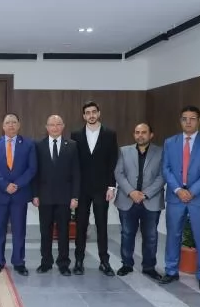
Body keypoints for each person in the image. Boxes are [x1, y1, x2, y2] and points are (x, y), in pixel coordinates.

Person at [160, 106, 200, 293]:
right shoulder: (170, 142)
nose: (188, 122)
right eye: (184, 118)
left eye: (192, 118)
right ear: (180, 121)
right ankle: (171, 270)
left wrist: (192, 191)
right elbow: (166, 168)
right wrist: (178, 190)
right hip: (176, 196)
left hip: (199, 197)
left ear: (199, 120)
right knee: (173, 235)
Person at [0, 114, 36, 276]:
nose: (11, 125)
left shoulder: (28, 144)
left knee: (19, 230)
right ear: (3, 126)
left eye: (14, 122)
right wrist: (5, 185)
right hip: (0, 194)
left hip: (19, 194)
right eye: (8, 122)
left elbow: (32, 168)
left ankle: (19, 262)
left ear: (19, 125)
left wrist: (17, 184)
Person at [71, 101, 118, 276]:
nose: (91, 115)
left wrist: (111, 186)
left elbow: (113, 161)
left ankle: (104, 262)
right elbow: (74, 164)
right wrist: (74, 190)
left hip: (101, 188)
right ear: (84, 116)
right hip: (82, 189)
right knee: (81, 226)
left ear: (98, 113)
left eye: (93, 112)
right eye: (87, 113)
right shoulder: (76, 135)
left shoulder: (110, 134)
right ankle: (79, 261)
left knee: (101, 226)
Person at [114, 123, 165, 280]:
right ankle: (126, 264)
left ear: (151, 135)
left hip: (151, 200)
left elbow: (162, 176)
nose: (140, 135)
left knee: (151, 236)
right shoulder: (124, 151)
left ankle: (149, 267)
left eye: (144, 132)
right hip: (127, 199)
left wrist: (145, 194)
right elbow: (119, 173)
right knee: (127, 233)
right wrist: (131, 192)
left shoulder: (161, 152)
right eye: (137, 132)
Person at [33, 115, 80, 276]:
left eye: (58, 124)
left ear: (63, 126)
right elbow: (35, 172)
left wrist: (75, 196)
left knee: (63, 232)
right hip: (44, 196)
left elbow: (76, 172)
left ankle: (63, 263)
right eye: (52, 125)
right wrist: (35, 194)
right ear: (47, 127)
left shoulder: (72, 145)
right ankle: (46, 262)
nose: (55, 127)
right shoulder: (38, 145)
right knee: (45, 232)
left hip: (64, 197)